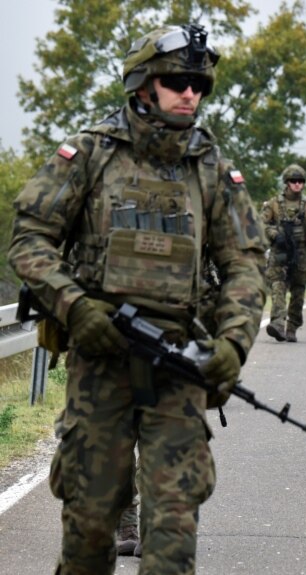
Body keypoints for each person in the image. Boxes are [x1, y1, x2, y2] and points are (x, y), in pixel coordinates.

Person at [8, 24, 267, 574]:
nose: (190, 93)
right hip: (100, 369)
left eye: (200, 84)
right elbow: (30, 239)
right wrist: (76, 306)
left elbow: (245, 263)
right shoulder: (91, 153)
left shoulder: (212, 169)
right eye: (177, 80)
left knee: (171, 544)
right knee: (89, 534)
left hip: (178, 372)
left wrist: (233, 343)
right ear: (144, 83)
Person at [261, 164, 306, 342]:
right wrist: (275, 235)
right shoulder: (273, 204)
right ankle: (277, 324)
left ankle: (292, 327)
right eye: (293, 181)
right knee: (277, 288)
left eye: (300, 181)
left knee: (298, 293)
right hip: (279, 253)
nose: (297, 184)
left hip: (300, 254)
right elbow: (261, 225)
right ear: (286, 183)